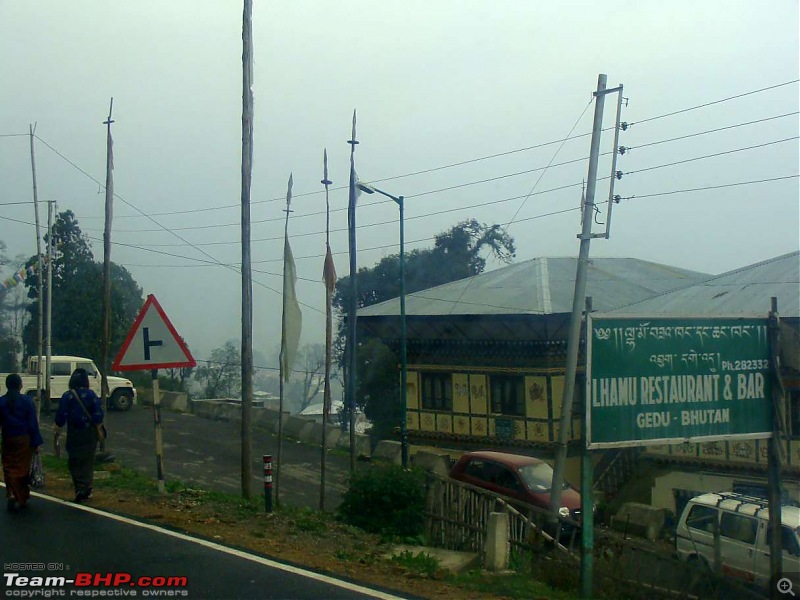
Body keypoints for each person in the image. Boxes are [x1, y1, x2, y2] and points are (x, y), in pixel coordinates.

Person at [54, 368, 104, 502]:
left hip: (74, 432)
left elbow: (61, 416)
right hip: (89, 433)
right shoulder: (91, 395)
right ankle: (86, 488)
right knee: (87, 460)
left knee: (74, 459)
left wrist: (58, 429)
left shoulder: (67, 395)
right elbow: (98, 415)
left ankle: (79, 487)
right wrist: (99, 429)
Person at [0, 373, 44, 511]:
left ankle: (11, 493)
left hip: (8, 439)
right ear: (20, 385)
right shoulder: (27, 401)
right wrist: (36, 443)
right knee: (23, 468)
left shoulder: (1, 402)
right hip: (24, 440)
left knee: (8, 466)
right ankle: (21, 496)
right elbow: (32, 424)